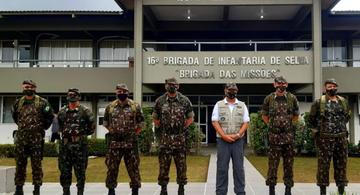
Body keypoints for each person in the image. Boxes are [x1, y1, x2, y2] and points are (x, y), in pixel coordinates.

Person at [308, 78, 350, 195]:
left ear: (337, 87)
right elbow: (311, 121)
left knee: (341, 165)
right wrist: (317, 134)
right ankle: (323, 192)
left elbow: (347, 116)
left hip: (341, 139)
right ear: (325, 88)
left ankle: (341, 191)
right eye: (329, 86)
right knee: (323, 166)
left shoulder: (343, 101)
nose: (332, 88)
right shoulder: (318, 102)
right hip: (325, 140)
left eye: (334, 86)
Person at [11, 80, 54, 195]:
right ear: (22, 87)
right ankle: (19, 189)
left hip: (36, 139)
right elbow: (15, 117)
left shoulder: (42, 102)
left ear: (35, 88)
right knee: (20, 164)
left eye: (31, 87)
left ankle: (37, 189)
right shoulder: (18, 103)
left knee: (36, 165)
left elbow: (49, 116)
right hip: (21, 139)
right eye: (26, 86)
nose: (28, 88)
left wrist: (41, 128)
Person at [152, 78, 194, 195]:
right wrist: (163, 128)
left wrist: (181, 128)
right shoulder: (160, 101)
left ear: (178, 86)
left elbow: (190, 118)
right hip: (165, 139)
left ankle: (181, 188)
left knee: (181, 165)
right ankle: (163, 189)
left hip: (179, 139)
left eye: (174, 85)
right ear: (165, 86)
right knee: (164, 165)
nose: (172, 86)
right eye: (170, 84)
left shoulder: (184, 100)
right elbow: (155, 118)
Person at [261, 76, 299, 195]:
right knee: (273, 165)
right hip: (274, 137)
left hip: (288, 137)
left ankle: (288, 189)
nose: (281, 85)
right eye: (278, 83)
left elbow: (296, 115)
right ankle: (271, 190)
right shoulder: (269, 98)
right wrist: (273, 126)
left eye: (283, 83)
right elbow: (265, 115)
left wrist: (288, 126)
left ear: (286, 85)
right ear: (274, 85)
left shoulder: (292, 98)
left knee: (288, 165)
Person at [104, 83, 144, 195]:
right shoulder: (110, 107)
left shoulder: (134, 106)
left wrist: (133, 133)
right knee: (112, 168)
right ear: (116, 92)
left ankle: (135, 190)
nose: (121, 93)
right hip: (114, 143)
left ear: (128, 92)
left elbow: (141, 123)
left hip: (130, 143)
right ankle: (111, 190)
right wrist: (112, 131)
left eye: (124, 91)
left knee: (134, 168)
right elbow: (106, 123)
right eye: (119, 91)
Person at [211, 82, 249, 195]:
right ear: (225, 91)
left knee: (239, 169)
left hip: (238, 141)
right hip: (223, 141)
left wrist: (238, 135)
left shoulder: (242, 105)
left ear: (237, 91)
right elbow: (215, 121)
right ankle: (221, 192)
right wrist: (224, 136)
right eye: (229, 90)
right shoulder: (218, 104)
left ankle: (240, 192)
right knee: (222, 168)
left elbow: (246, 122)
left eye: (234, 90)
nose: (232, 92)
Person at [57, 88, 95, 195]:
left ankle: (80, 192)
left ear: (79, 97)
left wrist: (80, 136)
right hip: (65, 146)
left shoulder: (85, 111)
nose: (72, 97)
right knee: (64, 171)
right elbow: (60, 127)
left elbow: (91, 128)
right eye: (70, 95)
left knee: (80, 172)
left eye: (74, 95)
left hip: (80, 146)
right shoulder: (62, 111)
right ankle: (66, 191)